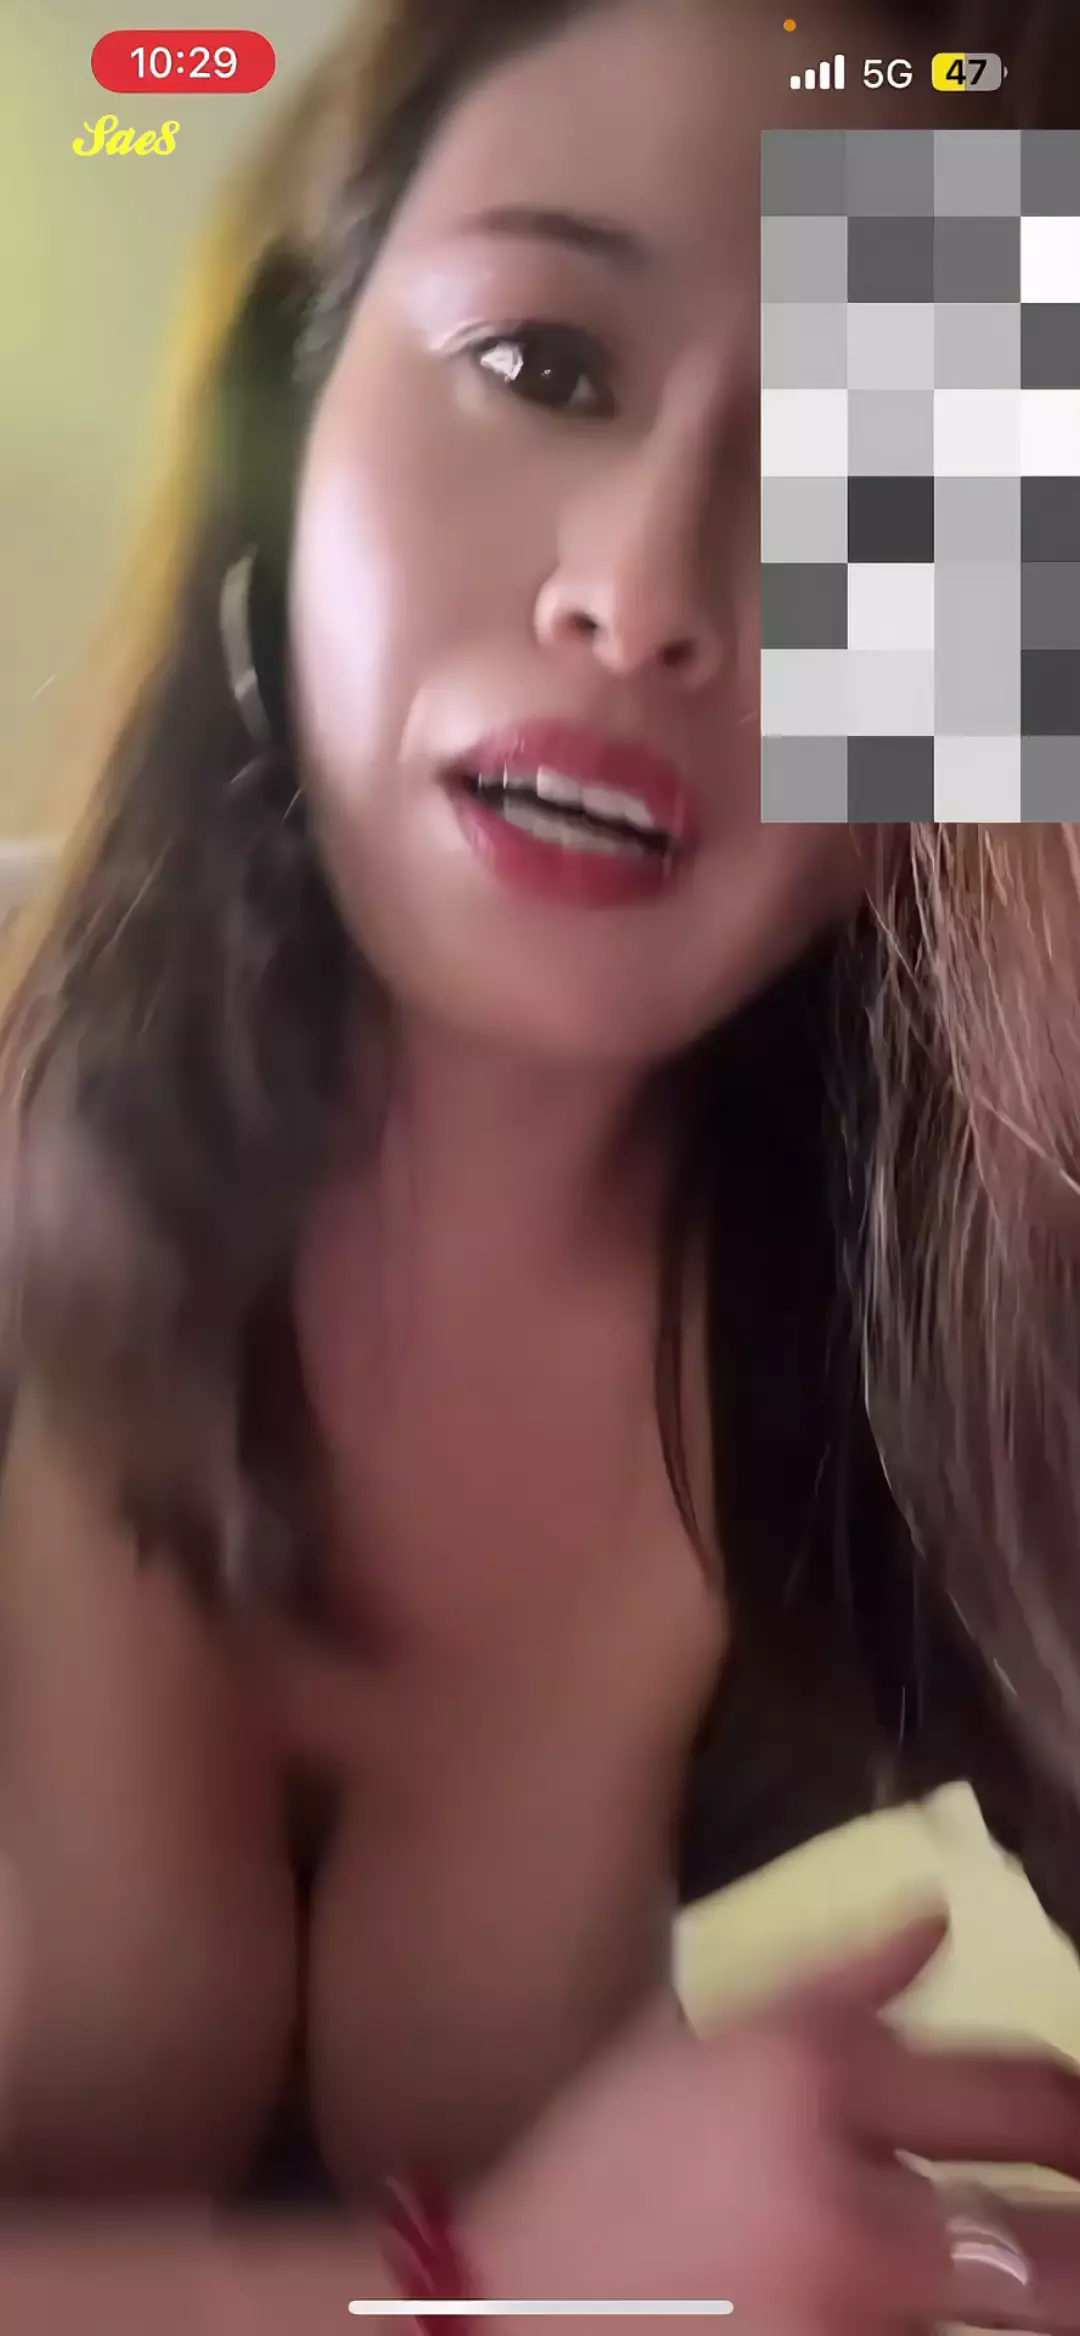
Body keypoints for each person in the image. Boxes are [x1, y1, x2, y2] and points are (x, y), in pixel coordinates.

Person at [2, 0, 1080, 2324]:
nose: (648, 588)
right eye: (543, 363)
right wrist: (491, 2282)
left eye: (857, 476)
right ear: (288, 407)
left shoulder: (923, 1342)